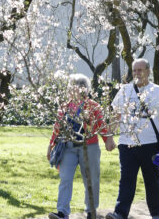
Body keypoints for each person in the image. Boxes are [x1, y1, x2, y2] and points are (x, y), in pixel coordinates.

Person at [107, 58, 159, 219]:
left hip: (150, 144)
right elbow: (115, 115)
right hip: (127, 144)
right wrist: (110, 136)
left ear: (148, 71)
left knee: (152, 180)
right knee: (126, 180)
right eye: (134, 70)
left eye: (140, 70)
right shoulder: (124, 90)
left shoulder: (156, 90)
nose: (137, 73)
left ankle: (156, 213)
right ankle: (120, 213)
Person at [47, 74, 115, 219]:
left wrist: (108, 140)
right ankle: (62, 212)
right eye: (71, 86)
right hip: (68, 147)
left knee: (91, 179)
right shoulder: (64, 107)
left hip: (89, 146)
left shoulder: (93, 106)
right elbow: (57, 127)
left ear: (84, 89)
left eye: (76, 86)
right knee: (65, 178)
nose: (72, 89)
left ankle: (91, 211)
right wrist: (50, 145)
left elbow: (101, 125)